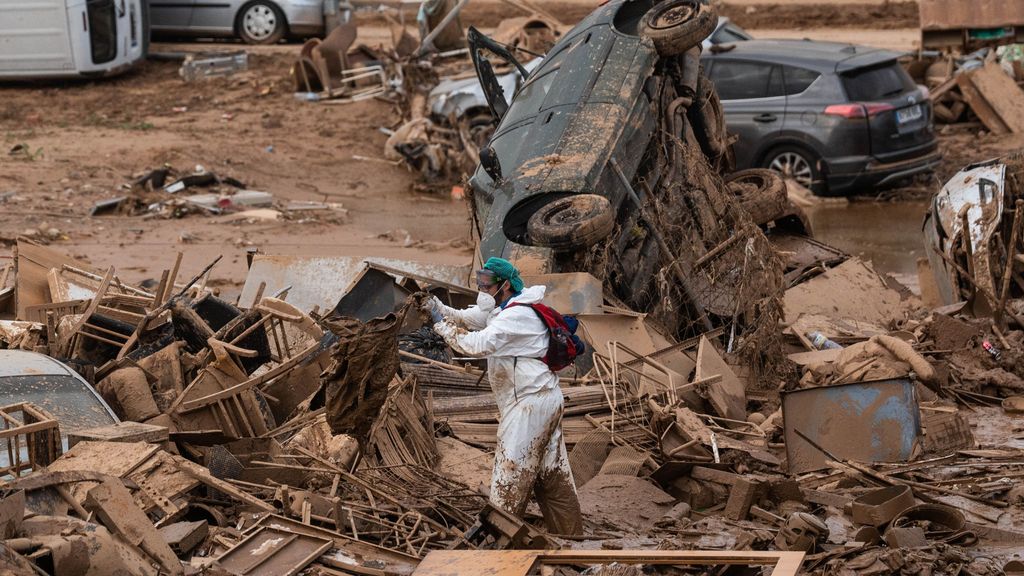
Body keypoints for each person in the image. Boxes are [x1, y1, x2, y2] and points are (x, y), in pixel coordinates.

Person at [425, 257, 583, 535]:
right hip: (538, 400)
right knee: (551, 474)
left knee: (510, 470)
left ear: (505, 284)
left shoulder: (517, 315)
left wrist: (441, 325)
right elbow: (466, 317)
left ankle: (498, 539)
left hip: (531, 404)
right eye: (480, 280)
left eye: (488, 283)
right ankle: (572, 537)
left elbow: (475, 344)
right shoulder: (504, 308)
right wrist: (436, 307)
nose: (483, 287)